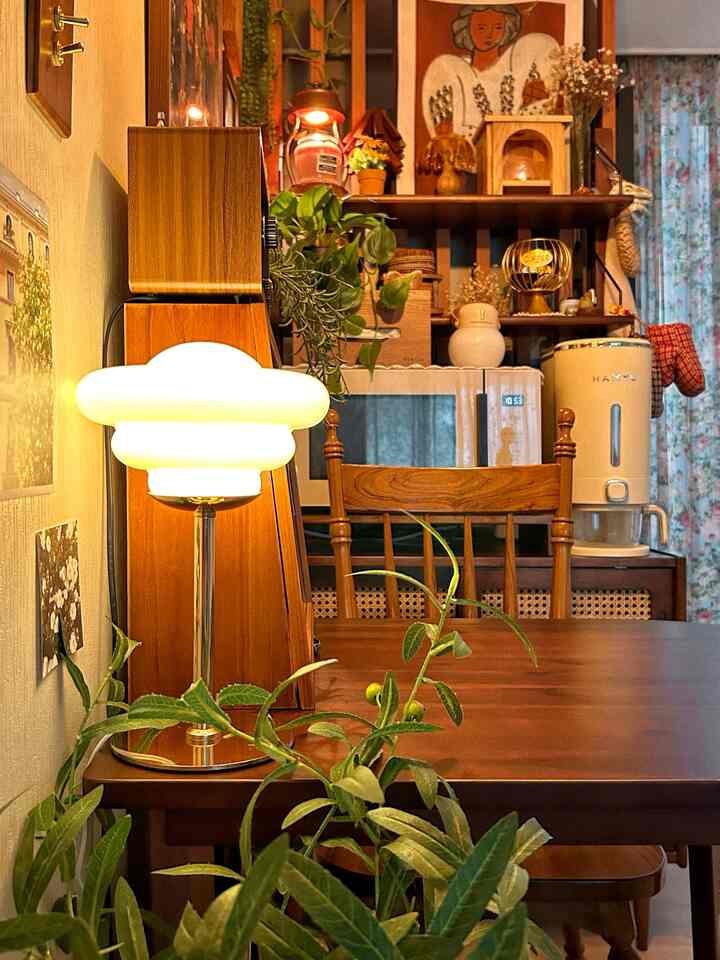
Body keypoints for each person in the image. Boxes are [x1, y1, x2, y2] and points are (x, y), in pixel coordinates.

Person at [422, 4, 558, 138]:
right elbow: (444, 136)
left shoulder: (521, 66)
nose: (489, 34)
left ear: (506, 28)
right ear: (466, 28)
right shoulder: (449, 69)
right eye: (481, 27)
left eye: (498, 27)